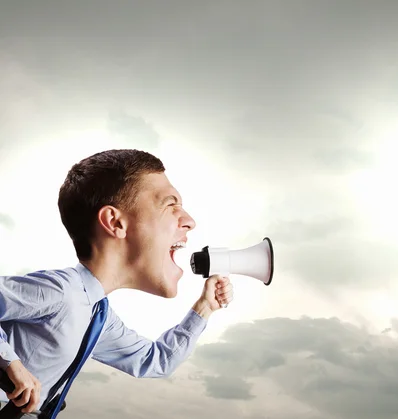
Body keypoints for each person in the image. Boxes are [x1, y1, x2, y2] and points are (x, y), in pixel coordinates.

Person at [0, 149, 233, 416]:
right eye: (171, 205)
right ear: (115, 222)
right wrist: (10, 362)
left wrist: (204, 308)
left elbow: (154, 361)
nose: (190, 221)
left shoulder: (98, 317)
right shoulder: (61, 291)